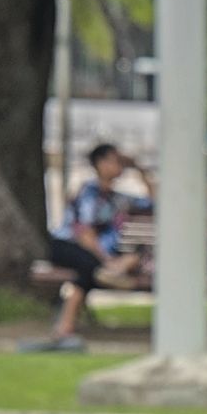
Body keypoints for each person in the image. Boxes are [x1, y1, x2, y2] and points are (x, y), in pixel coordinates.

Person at [21, 144, 156, 353]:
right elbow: (84, 233)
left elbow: (155, 201)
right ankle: (108, 273)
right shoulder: (88, 192)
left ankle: (64, 328)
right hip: (67, 246)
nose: (119, 165)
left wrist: (139, 169)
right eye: (114, 160)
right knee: (90, 266)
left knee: (86, 272)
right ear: (100, 164)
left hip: (94, 258)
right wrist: (106, 261)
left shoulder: (120, 198)